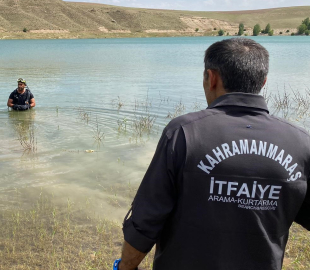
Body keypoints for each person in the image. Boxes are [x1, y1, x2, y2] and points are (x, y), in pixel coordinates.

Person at [114, 38, 310, 270]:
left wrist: (125, 266)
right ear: (263, 81)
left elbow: (146, 221)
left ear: (212, 77)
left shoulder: (183, 133)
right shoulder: (301, 142)